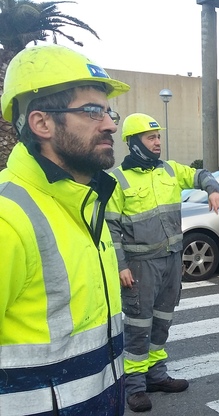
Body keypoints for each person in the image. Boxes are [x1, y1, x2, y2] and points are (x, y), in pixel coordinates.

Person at [0, 44, 130, 414]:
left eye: (109, 112)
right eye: (92, 111)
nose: (110, 124)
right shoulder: (7, 217)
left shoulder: (86, 202)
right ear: (42, 123)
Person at [105, 113, 219, 412]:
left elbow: (200, 174)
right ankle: (133, 386)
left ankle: (156, 376)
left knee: (162, 321)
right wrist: (121, 266)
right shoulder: (117, 180)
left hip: (172, 262)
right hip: (140, 265)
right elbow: (111, 230)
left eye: (158, 137)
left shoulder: (169, 170)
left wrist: (213, 188)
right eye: (151, 137)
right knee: (138, 324)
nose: (158, 142)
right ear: (134, 143)